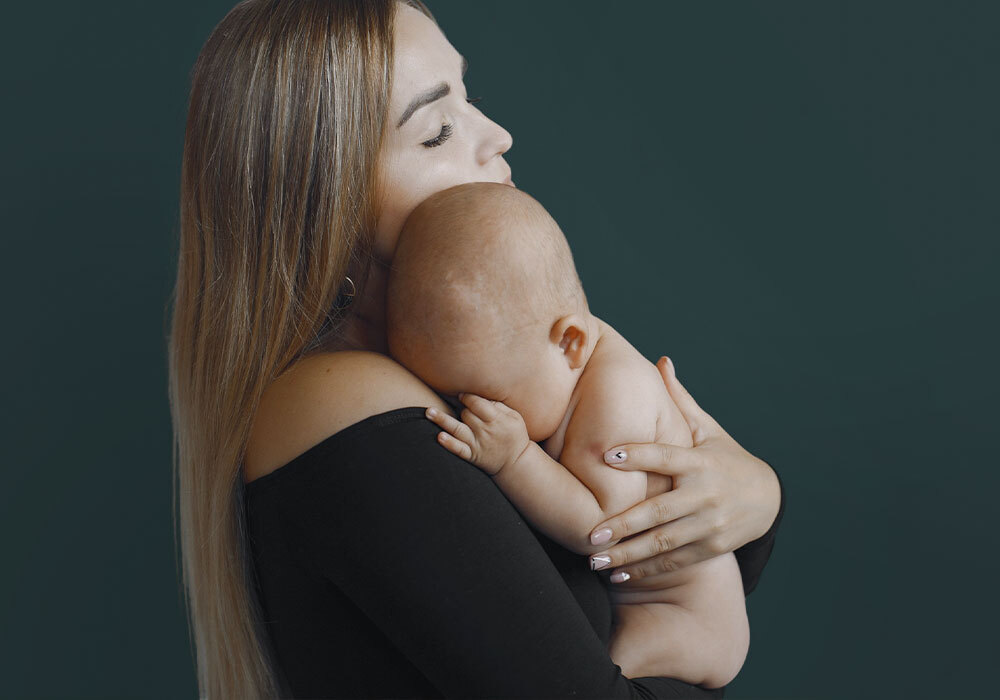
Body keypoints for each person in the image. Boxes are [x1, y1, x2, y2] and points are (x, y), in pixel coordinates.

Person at [167, 1, 785, 698]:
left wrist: (755, 495)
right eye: (437, 132)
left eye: (473, 99)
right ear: (325, 203)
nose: (497, 136)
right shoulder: (340, 403)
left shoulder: (453, 373)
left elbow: (649, 574)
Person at [386, 181, 751, 688]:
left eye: (488, 396)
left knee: (594, 676)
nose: (476, 413)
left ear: (571, 343)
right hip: (644, 602)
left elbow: (600, 527)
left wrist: (513, 459)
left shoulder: (617, 397)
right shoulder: (540, 342)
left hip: (681, 616)